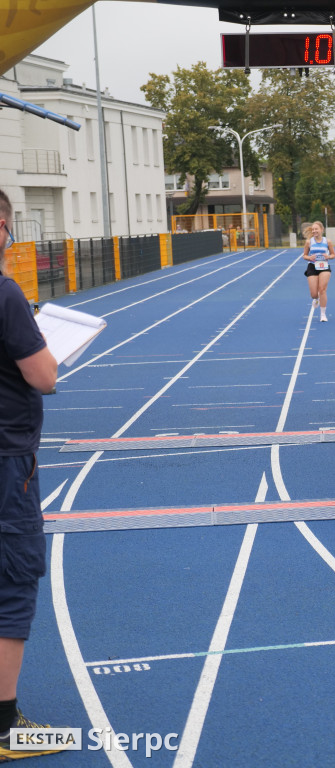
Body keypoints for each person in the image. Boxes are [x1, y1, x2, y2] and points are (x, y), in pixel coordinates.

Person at [0, 188, 62, 760]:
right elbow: (43, 376)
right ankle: (3, 727)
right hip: (5, 459)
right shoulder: (4, 294)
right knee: (13, 584)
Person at [302, 221, 335, 323]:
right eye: (313, 229)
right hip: (312, 267)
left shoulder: (327, 241)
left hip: (324, 266)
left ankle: (323, 314)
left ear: (322, 229)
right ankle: (316, 299)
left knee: (322, 290)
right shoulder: (309, 242)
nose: (314, 231)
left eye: (316, 229)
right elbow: (304, 255)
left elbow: (333, 254)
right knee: (314, 294)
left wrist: (328, 256)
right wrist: (309, 257)